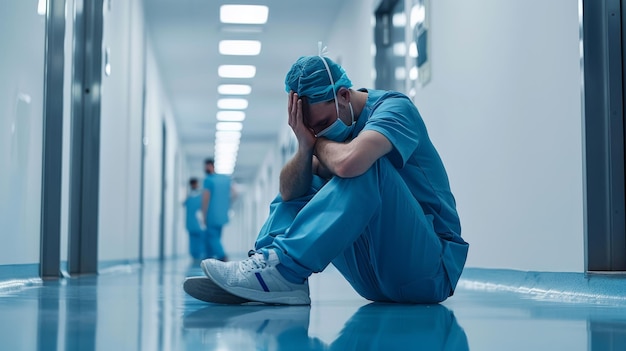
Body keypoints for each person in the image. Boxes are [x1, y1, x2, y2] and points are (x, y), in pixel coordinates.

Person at [197, 51, 469, 305]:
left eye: (321, 124)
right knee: (305, 179)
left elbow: (350, 162)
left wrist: (315, 145)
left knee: (363, 165)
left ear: (343, 95)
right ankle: (273, 269)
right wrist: (304, 149)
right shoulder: (327, 137)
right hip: (373, 280)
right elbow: (289, 192)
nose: (318, 134)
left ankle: (284, 269)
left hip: (431, 270)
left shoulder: (395, 109)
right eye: (310, 130)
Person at [202, 158, 232, 262]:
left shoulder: (208, 180)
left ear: (210, 166)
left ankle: (222, 255)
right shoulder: (225, 179)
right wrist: (226, 203)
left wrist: (204, 214)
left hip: (212, 214)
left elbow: (206, 197)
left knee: (212, 236)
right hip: (222, 214)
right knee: (215, 236)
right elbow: (235, 193)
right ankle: (209, 256)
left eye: (206, 166)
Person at [183, 177, 206, 262]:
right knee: (195, 242)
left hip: (195, 223)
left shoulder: (192, 197)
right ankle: (197, 257)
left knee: (198, 241)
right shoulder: (194, 196)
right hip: (194, 223)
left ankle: (198, 256)